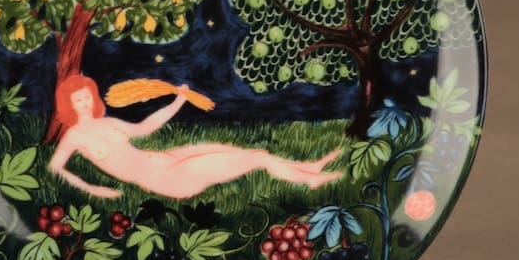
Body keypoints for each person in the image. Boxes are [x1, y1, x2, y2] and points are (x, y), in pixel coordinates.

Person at [47, 74, 344, 199]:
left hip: (166, 159)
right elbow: (55, 168)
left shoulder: (108, 122)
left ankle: (310, 169)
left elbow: (146, 128)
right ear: (68, 104)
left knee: (253, 154)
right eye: (78, 99)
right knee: (256, 158)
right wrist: (94, 189)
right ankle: (309, 178)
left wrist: (178, 100)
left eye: (86, 96)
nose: (84, 102)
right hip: (168, 179)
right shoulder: (74, 136)